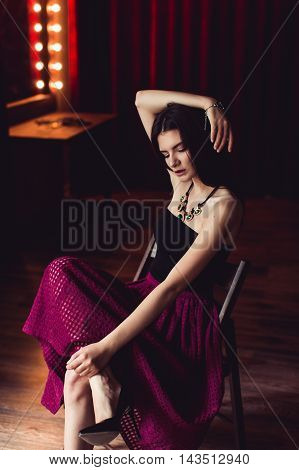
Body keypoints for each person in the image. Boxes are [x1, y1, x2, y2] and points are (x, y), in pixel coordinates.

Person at [22, 90, 244, 450]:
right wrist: (208, 103)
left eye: (181, 149)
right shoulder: (178, 180)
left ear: (201, 144)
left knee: (77, 375)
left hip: (179, 326)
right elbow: (143, 100)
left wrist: (106, 348)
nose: (172, 162)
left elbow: (172, 288)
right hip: (141, 297)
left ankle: (102, 382)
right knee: (61, 269)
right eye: (165, 153)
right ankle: (104, 384)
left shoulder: (224, 205)